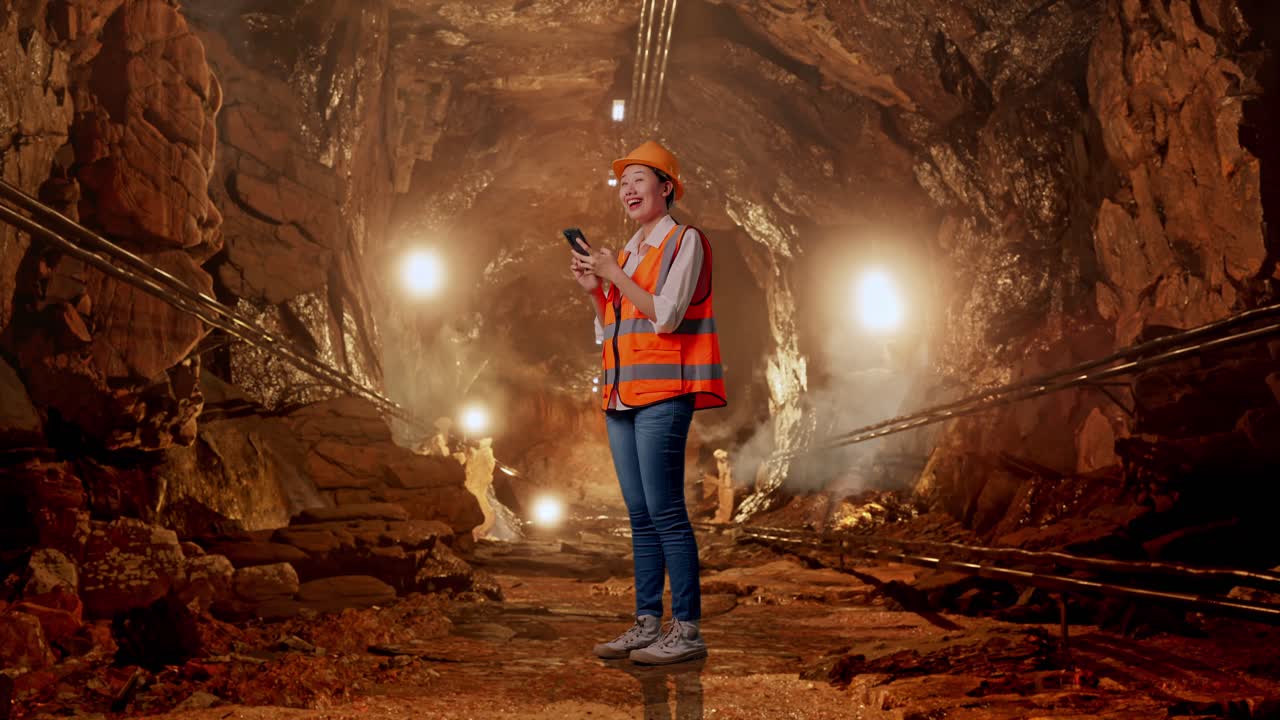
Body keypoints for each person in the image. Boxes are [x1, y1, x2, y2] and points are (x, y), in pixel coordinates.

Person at [570, 140, 727, 665]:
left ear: (667, 188)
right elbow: (609, 330)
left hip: (664, 394)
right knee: (639, 514)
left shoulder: (686, 241)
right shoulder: (631, 250)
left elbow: (666, 316)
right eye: (623, 181)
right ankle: (646, 622)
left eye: (641, 178)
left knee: (666, 512)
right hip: (621, 397)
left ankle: (687, 629)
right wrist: (597, 289)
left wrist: (614, 276)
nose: (629, 187)